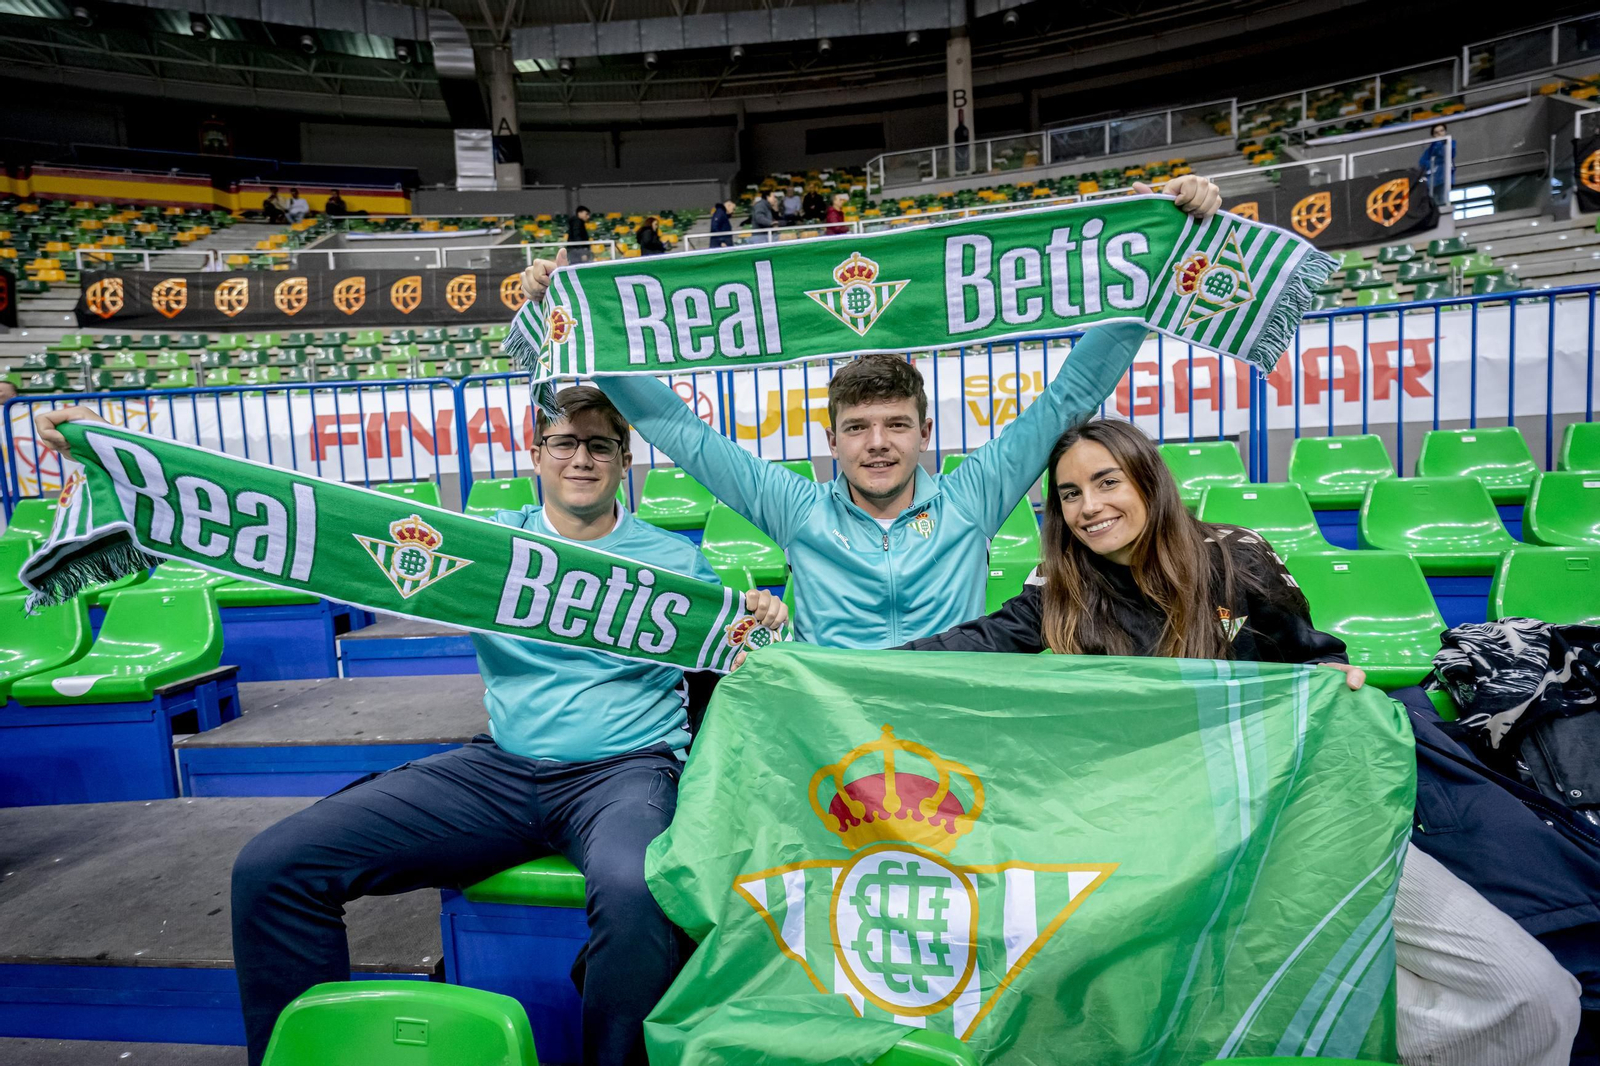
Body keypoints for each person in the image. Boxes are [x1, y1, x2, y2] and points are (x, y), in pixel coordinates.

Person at [31, 391, 788, 1066]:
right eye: (565, 441)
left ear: (627, 462)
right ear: (536, 454)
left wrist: (765, 622)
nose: (582, 457)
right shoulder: (487, 544)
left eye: (601, 444)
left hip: (624, 772)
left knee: (636, 890)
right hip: (501, 770)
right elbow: (316, 516)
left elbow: (747, 669)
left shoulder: (678, 565)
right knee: (274, 866)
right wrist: (114, 454)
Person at [898, 417, 1584, 1066]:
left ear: (1147, 481)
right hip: (1167, 850)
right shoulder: (1060, 591)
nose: (1088, 506)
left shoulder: (1235, 557)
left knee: (1531, 994)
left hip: (1300, 823)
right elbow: (963, 651)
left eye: (1107, 482)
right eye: (1070, 494)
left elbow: (1310, 661)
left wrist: (1329, 679)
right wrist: (816, 673)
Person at [517, 175, 1223, 650]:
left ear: (926, 432)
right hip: (836, 728)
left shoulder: (973, 494)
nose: (877, 444)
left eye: (895, 426)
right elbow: (681, 430)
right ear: (831, 439)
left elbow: (1071, 392)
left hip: (950, 717)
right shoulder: (795, 507)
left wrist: (1165, 257)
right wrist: (579, 331)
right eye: (857, 428)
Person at [1419, 123, 1455, 206]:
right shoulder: (1429, 150)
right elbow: (1422, 163)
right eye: (1436, 132)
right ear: (1433, 135)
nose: (1440, 134)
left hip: (1443, 178)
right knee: (1433, 202)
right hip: (1432, 180)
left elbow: (1445, 154)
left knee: (1442, 199)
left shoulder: (1450, 144)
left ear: (1445, 132)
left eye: (1442, 131)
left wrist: (1439, 144)